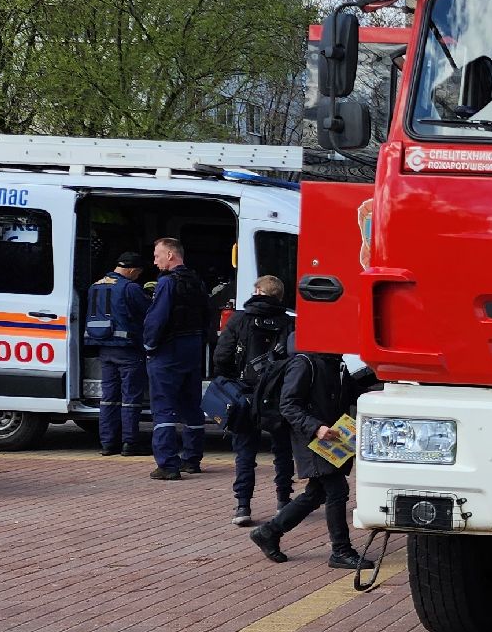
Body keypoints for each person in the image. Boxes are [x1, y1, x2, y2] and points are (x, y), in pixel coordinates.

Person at [249, 339, 377, 571]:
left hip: (330, 436)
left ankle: (268, 532)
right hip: (313, 439)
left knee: (317, 493)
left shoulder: (334, 362)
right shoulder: (304, 362)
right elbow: (288, 405)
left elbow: (351, 393)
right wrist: (316, 428)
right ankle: (341, 550)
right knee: (337, 490)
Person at [213, 275, 297, 526]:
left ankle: (243, 506)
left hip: (245, 393)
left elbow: (222, 355)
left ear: (258, 291)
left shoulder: (240, 319)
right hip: (278, 396)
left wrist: (231, 380)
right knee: (282, 450)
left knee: (245, 451)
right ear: (279, 296)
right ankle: (283, 501)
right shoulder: (289, 323)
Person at [142, 237, 209, 480]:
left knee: (163, 407)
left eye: (157, 255)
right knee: (191, 406)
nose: (155, 260)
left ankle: (168, 464)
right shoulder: (196, 281)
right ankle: (192, 459)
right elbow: (205, 315)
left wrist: (149, 346)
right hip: (192, 349)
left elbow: (156, 318)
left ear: (170, 255)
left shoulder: (167, 283)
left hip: (168, 350)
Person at [82, 252, 153, 456]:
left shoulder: (95, 286)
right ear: (131, 270)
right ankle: (130, 443)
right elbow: (148, 312)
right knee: (130, 398)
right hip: (128, 350)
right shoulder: (130, 288)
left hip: (104, 349)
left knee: (108, 398)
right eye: (138, 273)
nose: (138, 276)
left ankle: (108, 443)